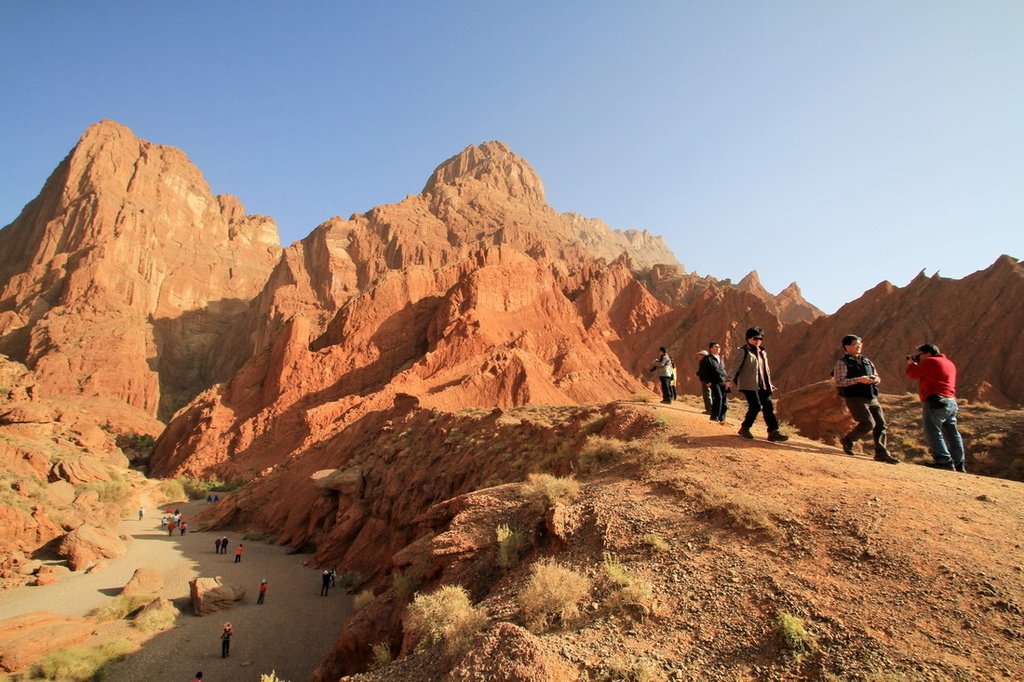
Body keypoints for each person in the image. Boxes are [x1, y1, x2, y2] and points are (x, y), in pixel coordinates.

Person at [832, 335, 899, 464]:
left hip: (871, 397)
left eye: (860, 344)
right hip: (855, 397)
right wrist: (858, 379)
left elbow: (877, 377)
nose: (859, 346)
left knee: (881, 424)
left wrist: (875, 379)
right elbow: (839, 381)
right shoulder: (842, 362)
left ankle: (881, 453)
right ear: (847, 347)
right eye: (856, 344)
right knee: (868, 423)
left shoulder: (866, 361)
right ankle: (848, 440)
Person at [906, 343, 966, 472]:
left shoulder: (930, 361)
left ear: (927, 354)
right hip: (950, 401)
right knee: (952, 432)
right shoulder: (949, 363)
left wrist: (911, 363)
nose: (918, 357)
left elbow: (912, 374)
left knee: (932, 431)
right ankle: (958, 463)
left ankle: (943, 459)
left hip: (936, 401)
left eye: (920, 355)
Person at [726, 327, 789, 442]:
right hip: (749, 384)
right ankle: (745, 428)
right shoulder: (743, 351)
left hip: (763, 385)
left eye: (760, 338)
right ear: (748, 339)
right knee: (755, 406)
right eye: (755, 338)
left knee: (768, 407)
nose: (758, 340)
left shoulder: (762, 352)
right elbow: (734, 367)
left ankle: (773, 432)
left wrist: (769, 383)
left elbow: (765, 370)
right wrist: (729, 379)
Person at [697, 342, 729, 423]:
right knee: (718, 398)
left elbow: (723, 370)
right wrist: (707, 381)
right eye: (716, 347)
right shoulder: (707, 359)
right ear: (711, 349)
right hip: (714, 382)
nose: (718, 348)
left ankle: (722, 418)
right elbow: (704, 371)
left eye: (719, 347)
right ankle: (714, 417)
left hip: (723, 381)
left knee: (725, 401)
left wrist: (727, 380)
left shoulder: (721, 358)